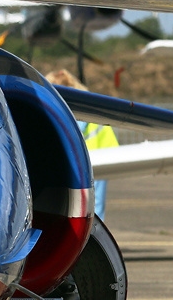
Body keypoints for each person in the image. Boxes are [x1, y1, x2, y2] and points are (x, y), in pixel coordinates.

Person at [45, 69, 118, 218]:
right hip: (102, 157)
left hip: (79, 160)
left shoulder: (58, 110)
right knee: (96, 208)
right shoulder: (89, 107)